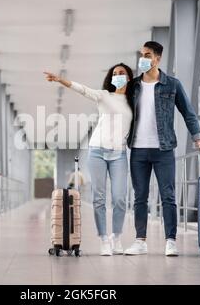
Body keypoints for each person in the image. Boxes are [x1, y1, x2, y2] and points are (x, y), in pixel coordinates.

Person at [124, 41, 200, 257]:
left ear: (158, 58)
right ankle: (140, 241)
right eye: (141, 54)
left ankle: (170, 241)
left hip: (164, 149)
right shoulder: (133, 86)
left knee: (168, 196)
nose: (143, 58)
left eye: (148, 54)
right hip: (138, 149)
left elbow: (188, 112)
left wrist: (197, 137)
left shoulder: (172, 84)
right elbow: (119, 112)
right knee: (140, 197)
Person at [44, 64, 133, 256]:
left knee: (119, 198)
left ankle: (116, 237)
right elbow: (82, 90)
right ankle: (103, 240)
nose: (118, 76)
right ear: (111, 78)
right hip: (97, 151)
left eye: (122, 73)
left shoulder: (133, 100)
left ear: (129, 77)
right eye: (115, 74)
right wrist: (60, 80)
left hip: (119, 154)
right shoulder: (103, 95)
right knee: (99, 198)